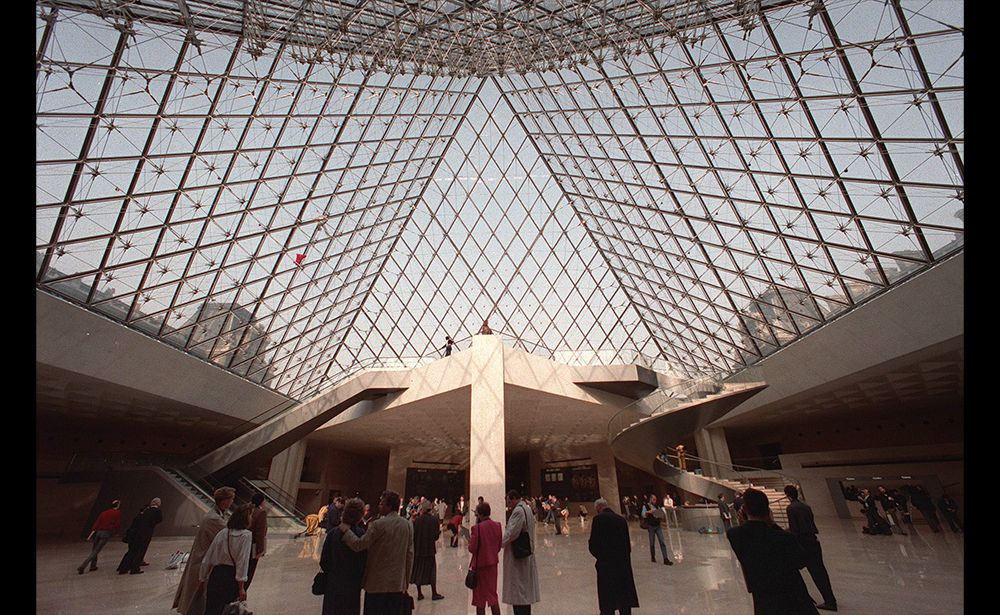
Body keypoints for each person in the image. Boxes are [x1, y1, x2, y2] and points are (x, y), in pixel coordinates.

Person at [726, 488, 818, 615]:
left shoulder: (735, 535)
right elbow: (801, 562)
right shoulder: (785, 538)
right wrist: (772, 523)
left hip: (764, 600)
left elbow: (746, 532)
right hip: (793, 598)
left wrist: (744, 522)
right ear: (768, 511)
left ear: (744, 511)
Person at [338, 489, 414, 615]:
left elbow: (359, 545)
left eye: (382, 503)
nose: (379, 505)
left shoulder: (378, 524)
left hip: (376, 584)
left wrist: (346, 531)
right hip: (397, 584)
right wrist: (405, 583)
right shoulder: (407, 525)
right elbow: (409, 555)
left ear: (389, 506)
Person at [173, 486, 235, 615]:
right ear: (224, 500)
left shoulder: (216, 514)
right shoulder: (214, 519)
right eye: (231, 499)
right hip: (203, 560)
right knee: (198, 591)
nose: (232, 502)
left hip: (204, 557)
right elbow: (228, 535)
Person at [784, 485, 838, 612]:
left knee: (799, 572)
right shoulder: (806, 506)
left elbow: (794, 529)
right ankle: (829, 598)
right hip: (813, 541)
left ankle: (808, 600)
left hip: (803, 544)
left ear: (787, 494)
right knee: (820, 571)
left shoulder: (791, 508)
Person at [588, 498, 639, 615]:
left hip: (607, 566)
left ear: (598, 508)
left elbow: (593, 545)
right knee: (624, 599)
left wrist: (601, 558)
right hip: (623, 565)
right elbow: (628, 545)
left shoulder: (598, 519)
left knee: (608, 600)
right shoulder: (621, 520)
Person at [200, 504, 253, 615]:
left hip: (216, 574)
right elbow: (242, 562)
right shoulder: (246, 535)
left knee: (211, 609)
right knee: (227, 608)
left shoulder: (223, 532)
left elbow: (209, 557)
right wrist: (241, 587)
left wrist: (202, 578)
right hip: (230, 577)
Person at [320, 498, 367, 615]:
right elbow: (364, 561)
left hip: (333, 583)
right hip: (352, 584)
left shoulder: (333, 534)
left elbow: (324, 560)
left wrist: (331, 573)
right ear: (360, 515)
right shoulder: (361, 535)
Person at [501, 490, 540, 615]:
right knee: (523, 592)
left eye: (508, 501)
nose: (508, 505)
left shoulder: (518, 511)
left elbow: (511, 533)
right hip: (525, 555)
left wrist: (497, 543)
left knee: (519, 592)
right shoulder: (526, 508)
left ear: (513, 498)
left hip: (519, 557)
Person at [469, 501, 503, 615]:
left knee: (480, 599)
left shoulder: (476, 528)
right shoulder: (497, 526)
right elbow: (498, 546)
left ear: (480, 514)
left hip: (479, 566)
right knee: (492, 595)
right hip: (492, 565)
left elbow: (472, 549)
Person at [117, 497, 163, 574]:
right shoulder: (157, 511)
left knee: (132, 551)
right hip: (145, 534)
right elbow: (159, 520)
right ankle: (135, 568)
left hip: (135, 534)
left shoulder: (144, 512)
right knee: (140, 551)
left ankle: (123, 568)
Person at [411, 500, 444, 601]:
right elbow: (435, 537)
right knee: (431, 572)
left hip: (419, 550)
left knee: (419, 571)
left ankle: (419, 593)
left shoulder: (417, 520)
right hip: (429, 550)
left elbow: (414, 535)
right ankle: (434, 593)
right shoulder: (434, 520)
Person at [78, 498, 122, 574]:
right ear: (117, 505)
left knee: (94, 549)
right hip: (106, 533)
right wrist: (116, 532)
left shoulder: (104, 513)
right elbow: (117, 524)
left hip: (98, 532)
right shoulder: (117, 513)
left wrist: (92, 533)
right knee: (96, 551)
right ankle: (83, 565)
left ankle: (93, 566)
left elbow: (97, 523)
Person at [641, 495, 673, 565]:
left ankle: (665, 558)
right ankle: (653, 556)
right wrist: (648, 512)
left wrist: (660, 514)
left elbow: (661, 515)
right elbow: (643, 515)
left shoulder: (657, 506)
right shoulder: (645, 506)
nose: (655, 501)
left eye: (655, 500)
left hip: (658, 526)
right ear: (650, 499)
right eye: (654, 500)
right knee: (652, 543)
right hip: (651, 526)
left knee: (662, 542)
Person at [245, 493, 268, 589]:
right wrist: (260, 550)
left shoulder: (247, 510)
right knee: (250, 570)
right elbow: (260, 533)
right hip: (253, 546)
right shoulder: (261, 513)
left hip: (244, 544)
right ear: (261, 501)